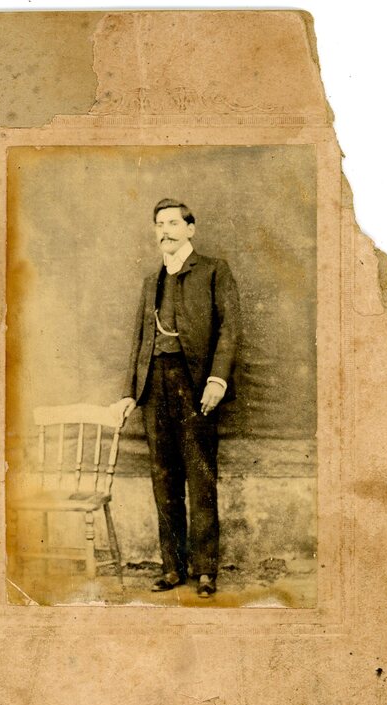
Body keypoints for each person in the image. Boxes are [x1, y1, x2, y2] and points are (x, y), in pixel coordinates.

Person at [114, 199, 240, 597]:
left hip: (196, 385)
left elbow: (230, 329)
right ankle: (172, 568)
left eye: (172, 223)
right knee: (164, 478)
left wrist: (217, 380)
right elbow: (139, 339)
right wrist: (129, 393)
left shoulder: (214, 270)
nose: (165, 230)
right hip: (156, 388)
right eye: (159, 224)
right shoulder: (152, 280)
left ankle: (205, 571)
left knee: (200, 478)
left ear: (190, 228)